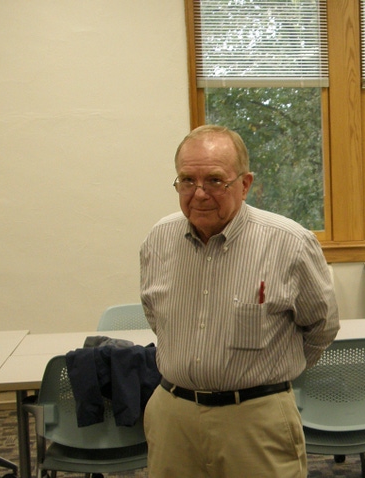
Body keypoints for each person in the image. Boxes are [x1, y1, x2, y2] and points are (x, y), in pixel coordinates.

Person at [140, 124, 340, 477]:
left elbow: (321, 327)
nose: (199, 193)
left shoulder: (289, 243)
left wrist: (268, 382)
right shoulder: (159, 239)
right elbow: (157, 316)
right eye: (187, 180)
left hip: (255, 421)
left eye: (215, 181)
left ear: (245, 184)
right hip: (173, 418)